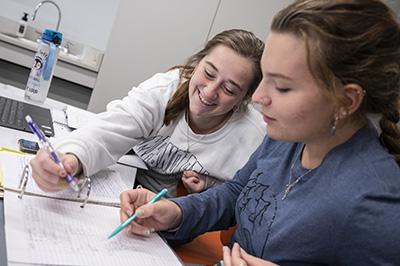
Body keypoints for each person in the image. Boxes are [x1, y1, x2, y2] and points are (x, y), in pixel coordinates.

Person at [118, 0, 400, 265]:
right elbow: (237, 193)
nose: (258, 97)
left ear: (346, 101)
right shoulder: (288, 138)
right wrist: (177, 213)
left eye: (282, 87)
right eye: (265, 77)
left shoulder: (375, 200)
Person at [29, 29, 266, 198]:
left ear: (245, 98)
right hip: (119, 189)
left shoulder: (254, 137)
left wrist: (211, 183)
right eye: (209, 73)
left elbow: (246, 195)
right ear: (198, 62)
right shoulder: (164, 90)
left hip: (175, 219)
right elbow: (109, 129)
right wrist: (72, 158)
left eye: (229, 89)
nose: (210, 91)